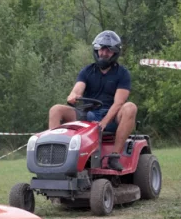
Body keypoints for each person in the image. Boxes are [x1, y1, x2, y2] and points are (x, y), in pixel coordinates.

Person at [48, 30, 137, 171]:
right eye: (101, 50)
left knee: (130, 107)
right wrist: (73, 95)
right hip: (88, 115)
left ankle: (114, 156)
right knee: (56, 109)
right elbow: (78, 89)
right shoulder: (87, 71)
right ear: (97, 50)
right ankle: (53, 155)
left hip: (113, 118)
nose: (104, 53)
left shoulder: (122, 73)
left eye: (108, 51)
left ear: (115, 53)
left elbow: (119, 102)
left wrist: (103, 123)